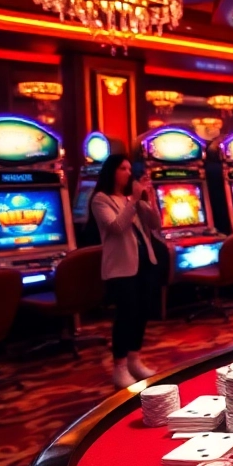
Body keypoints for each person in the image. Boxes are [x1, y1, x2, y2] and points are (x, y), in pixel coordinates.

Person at [90, 155, 162, 389]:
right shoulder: (100, 199)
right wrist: (133, 201)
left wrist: (147, 199)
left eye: (130, 168)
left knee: (141, 313)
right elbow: (117, 227)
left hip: (144, 261)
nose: (127, 172)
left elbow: (155, 224)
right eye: (122, 168)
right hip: (121, 267)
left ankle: (134, 360)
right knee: (125, 316)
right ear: (111, 171)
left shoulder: (132, 198)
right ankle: (119, 366)